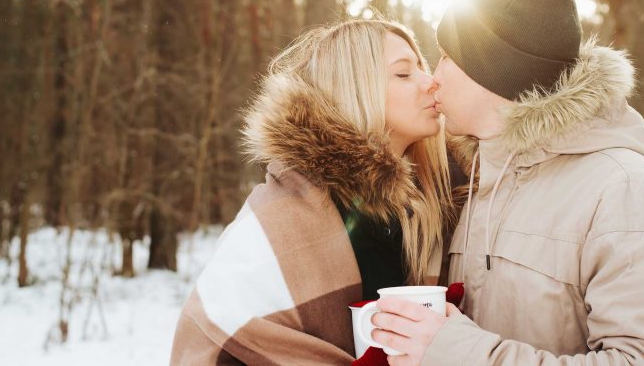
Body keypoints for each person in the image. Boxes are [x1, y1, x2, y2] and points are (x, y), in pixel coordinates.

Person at [369, 0, 644, 365]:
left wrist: (457, 354)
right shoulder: (479, 182)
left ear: (494, 72)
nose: (434, 80)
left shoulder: (630, 195)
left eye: (446, 58)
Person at [169, 19, 454, 365]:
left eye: (422, 68)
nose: (431, 82)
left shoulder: (424, 204)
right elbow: (217, 330)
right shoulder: (285, 214)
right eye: (404, 74)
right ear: (356, 89)